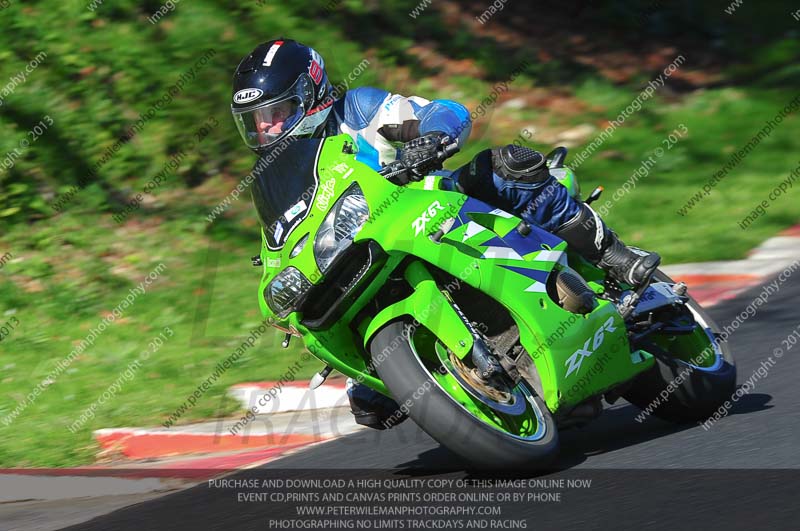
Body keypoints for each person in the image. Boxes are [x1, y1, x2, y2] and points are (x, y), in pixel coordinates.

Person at [231, 39, 661, 429]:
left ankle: (613, 256)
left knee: (505, 168)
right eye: (255, 121)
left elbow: (443, 111)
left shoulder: (357, 111)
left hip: (429, 209)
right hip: (367, 258)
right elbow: (280, 241)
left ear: (311, 96)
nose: (266, 129)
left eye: (275, 115)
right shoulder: (273, 177)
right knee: (372, 404)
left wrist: (432, 136)